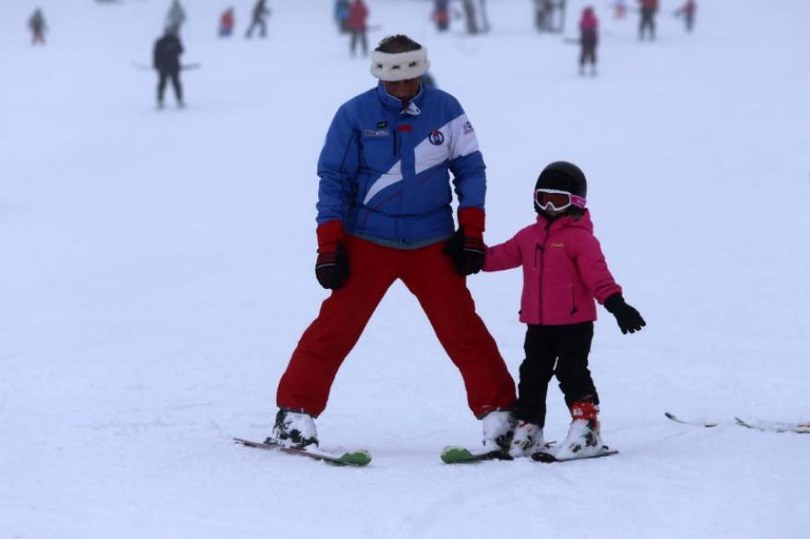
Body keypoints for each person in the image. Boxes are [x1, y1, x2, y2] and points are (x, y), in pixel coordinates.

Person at [266, 34, 517, 453]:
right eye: (395, 81)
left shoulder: (447, 109)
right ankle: (295, 414)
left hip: (431, 241)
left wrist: (471, 232)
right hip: (368, 240)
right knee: (334, 329)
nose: (403, 88)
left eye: (411, 79)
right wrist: (329, 246)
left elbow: (471, 171)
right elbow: (334, 180)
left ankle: (502, 415)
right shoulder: (354, 115)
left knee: (462, 329)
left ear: (421, 71)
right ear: (380, 75)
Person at [482, 161, 645, 460]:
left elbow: (598, 276)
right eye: (543, 198)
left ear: (576, 202)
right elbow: (498, 257)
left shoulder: (580, 239)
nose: (550, 206)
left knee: (571, 372)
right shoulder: (528, 236)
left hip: (575, 324)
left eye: (558, 200)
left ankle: (587, 426)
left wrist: (617, 305)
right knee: (532, 374)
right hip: (538, 324)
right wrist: (469, 255)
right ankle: (529, 426)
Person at [153, 25, 184, 109]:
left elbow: (181, 51)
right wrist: (156, 65)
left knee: (175, 84)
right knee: (163, 84)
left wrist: (174, 47)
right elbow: (156, 54)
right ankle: (160, 101)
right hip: (164, 67)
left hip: (173, 66)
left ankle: (179, 100)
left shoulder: (175, 40)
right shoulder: (160, 42)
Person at [579, 6, 598, 76]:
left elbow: (581, 27)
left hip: (584, 37)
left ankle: (582, 68)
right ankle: (593, 68)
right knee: (592, 53)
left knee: (583, 53)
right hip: (592, 37)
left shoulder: (583, 19)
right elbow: (595, 26)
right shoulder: (593, 19)